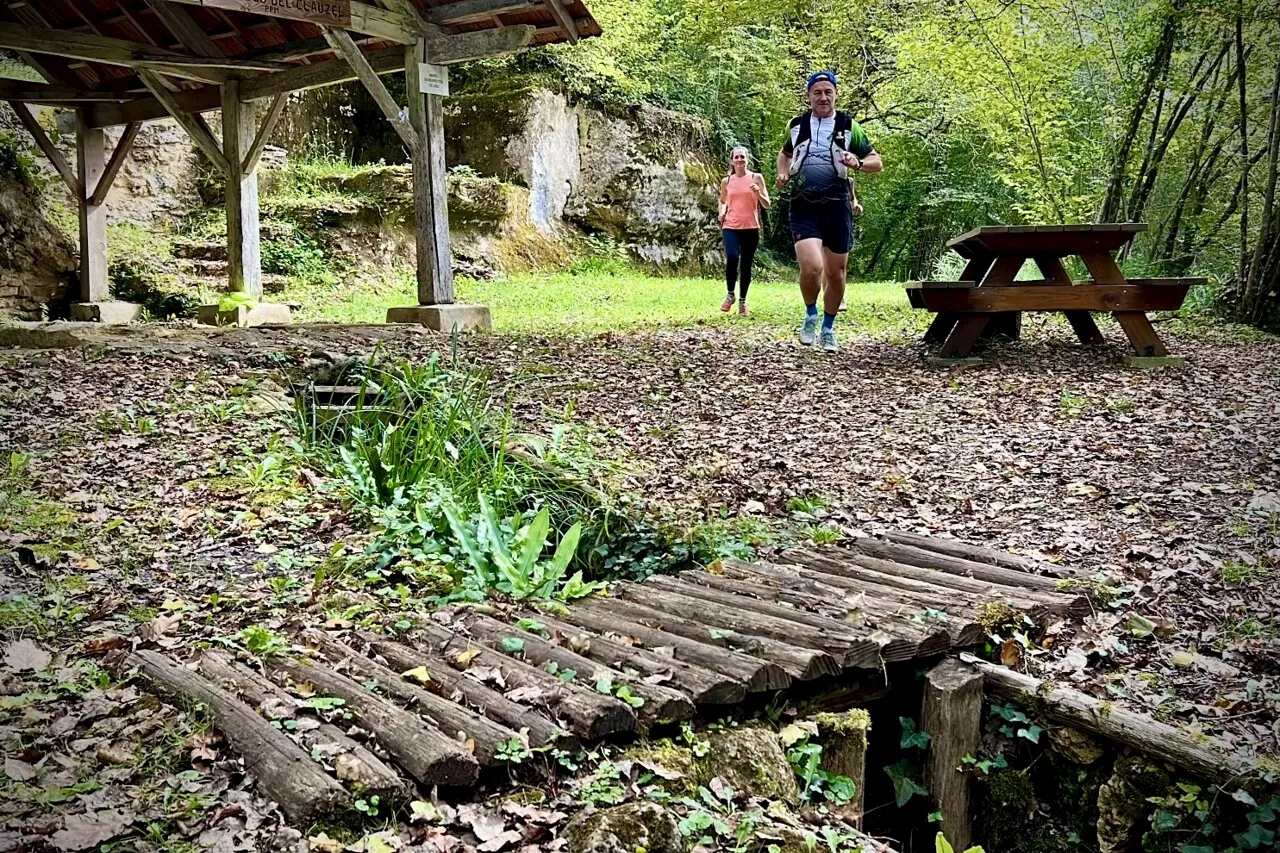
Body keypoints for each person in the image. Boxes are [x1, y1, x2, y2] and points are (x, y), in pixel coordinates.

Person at [776, 70, 882, 352]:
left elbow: (877, 162)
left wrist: (857, 163)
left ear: (835, 94)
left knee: (836, 273)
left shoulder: (849, 126)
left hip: (837, 205)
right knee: (812, 267)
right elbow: (785, 154)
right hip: (804, 203)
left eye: (828, 92)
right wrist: (783, 174)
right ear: (809, 96)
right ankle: (811, 314)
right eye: (817, 92)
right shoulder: (797, 125)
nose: (823, 97)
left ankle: (828, 328)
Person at [718, 146, 771, 316]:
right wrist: (721, 212)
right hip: (730, 226)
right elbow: (722, 200)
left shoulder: (756, 178)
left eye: (743, 157)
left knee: (746, 264)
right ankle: (730, 294)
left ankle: (742, 301)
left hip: (751, 227)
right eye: (737, 157)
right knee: (732, 258)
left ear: (747, 160)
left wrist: (758, 194)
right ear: (732, 161)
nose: (740, 160)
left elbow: (767, 204)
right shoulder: (727, 181)